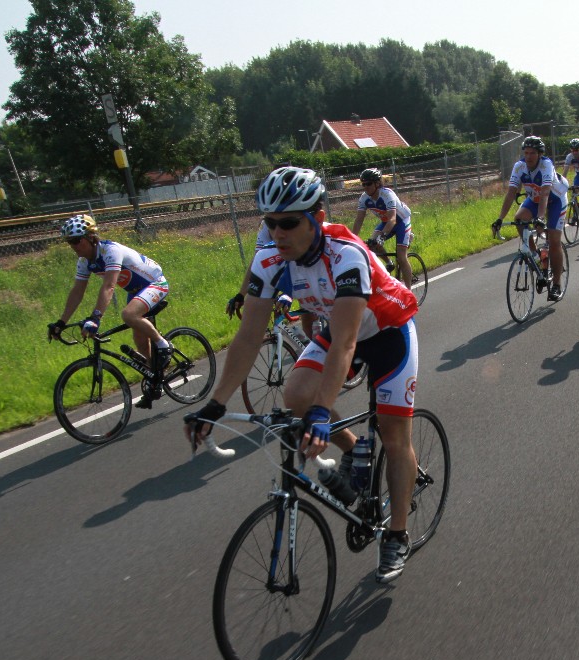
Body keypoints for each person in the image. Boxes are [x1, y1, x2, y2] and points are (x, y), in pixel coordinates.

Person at [187, 167, 420, 584]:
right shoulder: (269, 262)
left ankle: (397, 533)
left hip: (387, 331)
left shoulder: (345, 255)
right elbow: (247, 338)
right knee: (295, 395)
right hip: (342, 326)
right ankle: (354, 450)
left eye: (289, 222)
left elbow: (346, 343)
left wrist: (322, 411)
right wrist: (215, 404)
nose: (278, 232)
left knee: (393, 436)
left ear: (317, 217)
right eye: (270, 222)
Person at [47, 214, 173, 409]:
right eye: (69, 242)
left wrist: (95, 318)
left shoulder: (110, 251)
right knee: (140, 340)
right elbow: (77, 292)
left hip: (155, 284)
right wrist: (61, 322)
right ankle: (156, 376)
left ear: (90, 237)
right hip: (136, 291)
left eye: (76, 240)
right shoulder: (84, 262)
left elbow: (109, 286)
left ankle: (163, 345)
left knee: (128, 315)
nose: (73, 246)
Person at [492, 135, 569, 301]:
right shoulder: (519, 167)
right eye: (526, 153)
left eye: (532, 153)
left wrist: (540, 218)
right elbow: (511, 193)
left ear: (540, 154)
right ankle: (535, 255)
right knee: (519, 219)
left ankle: (556, 284)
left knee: (554, 240)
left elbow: (545, 193)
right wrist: (499, 219)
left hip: (555, 200)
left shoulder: (546, 165)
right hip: (535, 198)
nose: (528, 156)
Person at [351, 168, 413, 288]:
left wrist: (382, 236)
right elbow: (359, 220)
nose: (365, 187)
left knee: (401, 257)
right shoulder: (364, 198)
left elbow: (393, 219)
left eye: (368, 184)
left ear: (377, 183)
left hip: (401, 221)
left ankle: (409, 292)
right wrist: (352, 238)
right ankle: (389, 263)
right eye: (363, 184)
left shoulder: (387, 194)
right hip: (386, 222)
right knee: (372, 243)